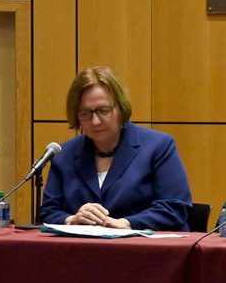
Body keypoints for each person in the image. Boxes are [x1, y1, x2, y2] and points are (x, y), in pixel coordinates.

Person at [39, 66, 192, 230]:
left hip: (145, 250)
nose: (95, 121)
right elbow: (49, 212)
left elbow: (175, 207)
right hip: (83, 251)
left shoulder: (158, 146)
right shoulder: (64, 154)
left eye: (103, 110)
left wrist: (128, 223)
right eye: (85, 113)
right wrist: (71, 219)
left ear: (121, 107)